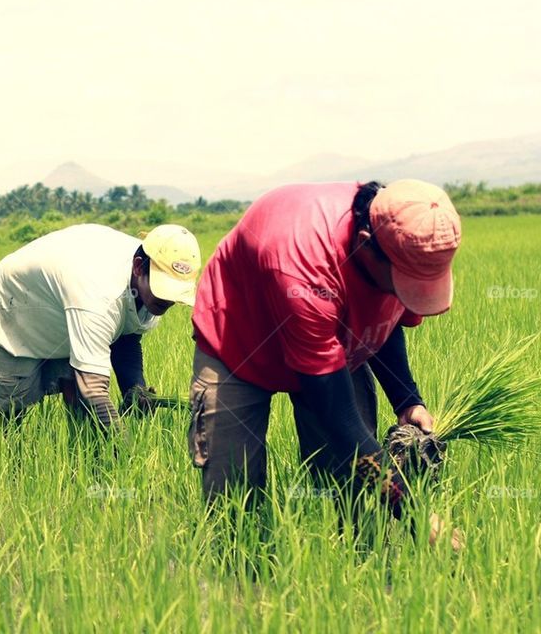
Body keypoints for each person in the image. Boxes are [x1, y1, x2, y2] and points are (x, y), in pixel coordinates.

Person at [189, 179, 462, 517]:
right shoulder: (305, 271)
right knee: (232, 494)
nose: (404, 293)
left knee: (355, 497)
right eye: (402, 283)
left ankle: (359, 550)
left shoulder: (403, 242)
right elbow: (340, 421)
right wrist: (415, 515)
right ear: (364, 244)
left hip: (331, 341)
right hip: (240, 342)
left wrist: (407, 400)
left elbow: (385, 317)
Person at [0, 223, 201, 429]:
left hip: (66, 303)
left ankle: (82, 458)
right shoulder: (100, 295)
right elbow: (93, 390)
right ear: (138, 267)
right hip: (15, 304)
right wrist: (126, 452)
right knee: (9, 409)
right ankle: (6, 460)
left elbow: (125, 334)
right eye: (163, 289)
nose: (169, 301)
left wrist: (134, 388)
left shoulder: (149, 282)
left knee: (79, 401)